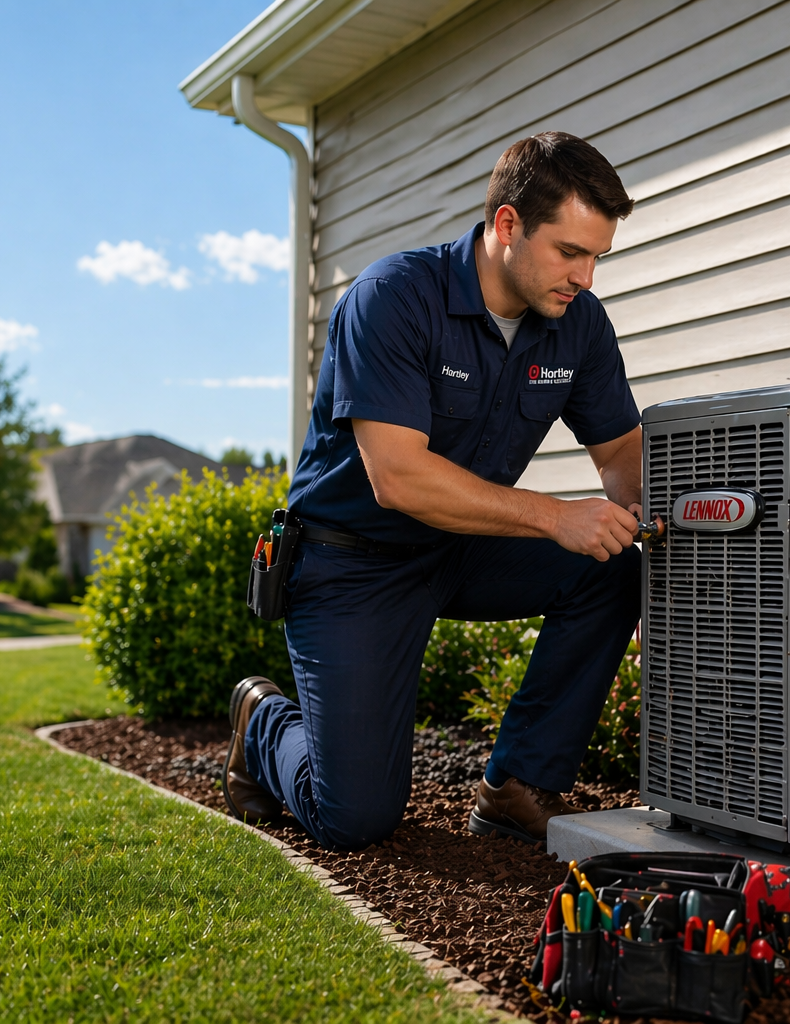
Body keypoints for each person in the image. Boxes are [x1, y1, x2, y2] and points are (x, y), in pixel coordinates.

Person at [223, 132, 644, 850]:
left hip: (460, 547)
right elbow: (398, 478)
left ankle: (516, 787)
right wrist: (553, 517)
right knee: (353, 819)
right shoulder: (392, 299)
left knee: (613, 567)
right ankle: (262, 721)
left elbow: (623, 455)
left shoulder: (578, 324)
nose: (586, 277)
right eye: (570, 253)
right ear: (507, 225)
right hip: (351, 561)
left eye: (597, 256)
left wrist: (676, 516)